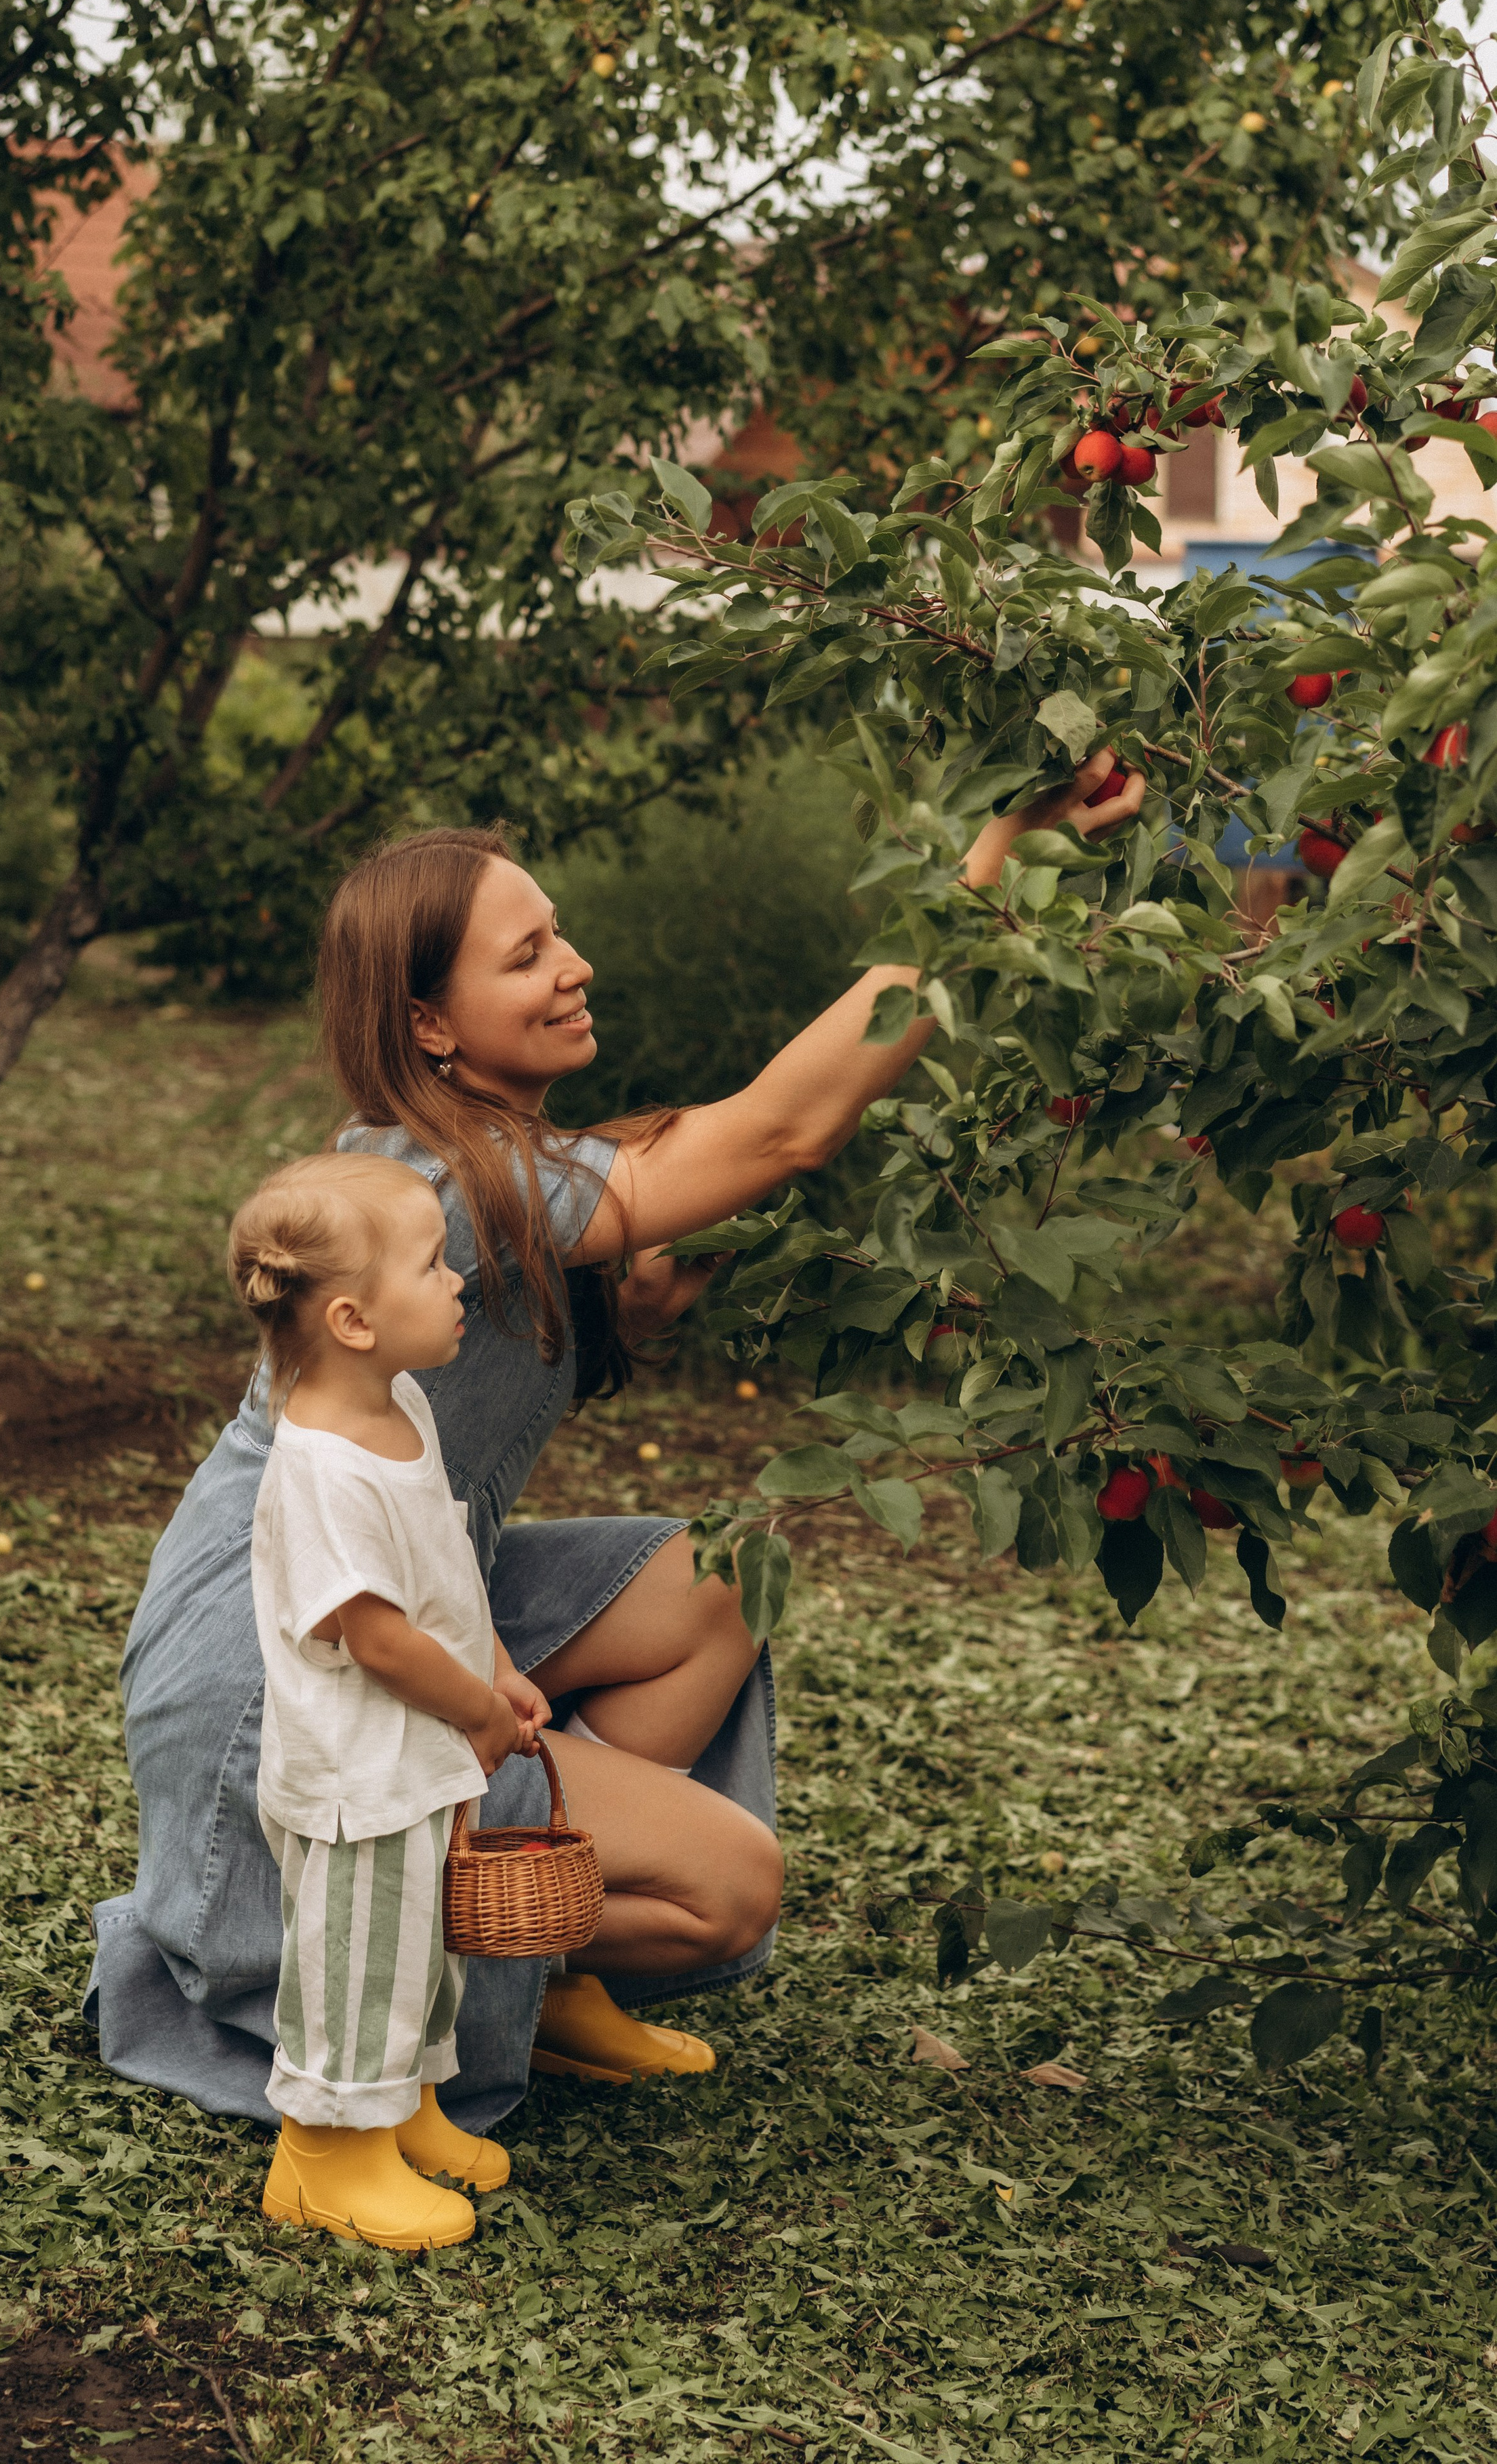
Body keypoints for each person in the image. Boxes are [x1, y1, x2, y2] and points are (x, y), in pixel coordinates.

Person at [84, 750, 1143, 2138]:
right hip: (290, 1656)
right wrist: (996, 850)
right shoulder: (430, 1186)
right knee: (728, 1890)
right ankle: (486, 1953)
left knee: (719, 1579)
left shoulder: (479, 1163)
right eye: (526, 955)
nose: (573, 966)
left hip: (421, 1588)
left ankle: (541, 1951)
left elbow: (546, 1306)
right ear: (430, 1023)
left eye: (559, 934)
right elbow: (782, 1130)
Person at [232, 1149, 549, 2250]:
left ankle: (405, 2111)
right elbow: (377, 1639)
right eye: (434, 1265)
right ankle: (323, 2155)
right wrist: (479, 1712)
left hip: (414, 1765)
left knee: (420, 1950)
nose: (460, 1282)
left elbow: (440, 1566)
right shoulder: (325, 1469)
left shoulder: (401, 1404)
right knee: (359, 1971)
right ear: (355, 1320)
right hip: (357, 1784)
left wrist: (496, 1664)